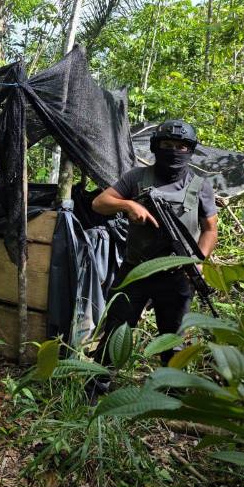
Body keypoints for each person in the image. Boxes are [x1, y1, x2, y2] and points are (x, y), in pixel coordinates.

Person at [91, 119, 218, 369]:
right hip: (135, 271)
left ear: (190, 150)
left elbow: (210, 230)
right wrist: (128, 205)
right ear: (155, 146)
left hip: (177, 275)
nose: (174, 151)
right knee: (116, 332)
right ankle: (98, 383)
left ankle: (170, 388)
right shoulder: (136, 177)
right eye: (167, 145)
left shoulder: (200, 186)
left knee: (173, 341)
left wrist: (197, 261)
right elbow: (99, 203)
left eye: (181, 146)